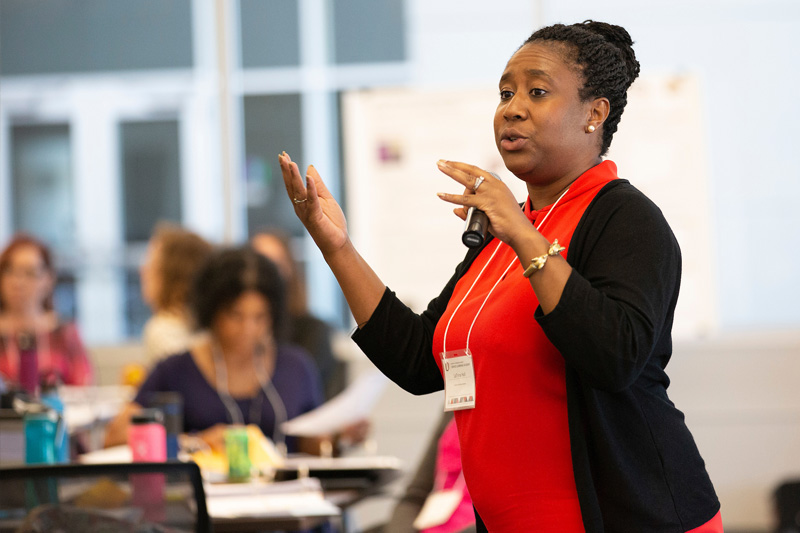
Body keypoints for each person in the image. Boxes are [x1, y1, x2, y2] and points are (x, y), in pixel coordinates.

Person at [278, 20, 721, 533]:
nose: (512, 107)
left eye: (537, 92)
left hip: (632, 518)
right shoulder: (503, 234)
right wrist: (338, 248)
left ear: (594, 114)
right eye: (506, 93)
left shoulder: (623, 217)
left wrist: (520, 234)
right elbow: (420, 361)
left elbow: (615, 355)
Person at [105, 246, 324, 454]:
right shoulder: (176, 370)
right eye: (235, 316)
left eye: (260, 317)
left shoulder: (296, 367)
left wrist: (337, 438)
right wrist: (193, 442)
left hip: (286, 491)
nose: (248, 329)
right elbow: (115, 436)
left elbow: (312, 444)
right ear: (212, 310)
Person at [251, 229, 345, 400]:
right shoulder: (238, 332)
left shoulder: (313, 331)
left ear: (289, 269)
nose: (267, 275)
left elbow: (319, 394)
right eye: (261, 264)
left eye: (275, 264)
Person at [0, 234, 92, 388]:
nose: (18, 282)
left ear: (48, 279)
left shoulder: (64, 332)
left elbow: (84, 385)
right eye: (9, 271)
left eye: (29, 273)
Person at [139, 223, 213, 366]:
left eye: (152, 264)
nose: (143, 270)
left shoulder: (162, 330)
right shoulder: (205, 328)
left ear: (175, 278)